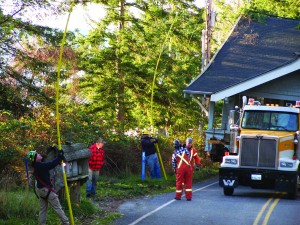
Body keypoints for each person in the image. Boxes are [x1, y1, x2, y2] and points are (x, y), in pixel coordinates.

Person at [26, 149, 70, 225]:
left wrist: (58, 158)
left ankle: (41, 223)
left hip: (41, 190)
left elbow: (50, 163)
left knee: (43, 209)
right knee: (58, 208)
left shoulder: (36, 166)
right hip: (46, 190)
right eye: (38, 154)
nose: (40, 154)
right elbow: (51, 164)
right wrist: (59, 156)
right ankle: (66, 223)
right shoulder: (40, 166)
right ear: (35, 159)